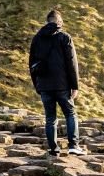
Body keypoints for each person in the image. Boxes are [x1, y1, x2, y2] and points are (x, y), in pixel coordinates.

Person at [27, 9, 81, 154]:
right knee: (70, 113)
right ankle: (73, 146)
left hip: (44, 86)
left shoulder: (37, 39)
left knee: (50, 118)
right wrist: (74, 86)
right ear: (59, 22)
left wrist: (37, 86)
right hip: (62, 85)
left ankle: (53, 149)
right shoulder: (65, 37)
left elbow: (31, 64)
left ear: (47, 21)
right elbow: (72, 63)